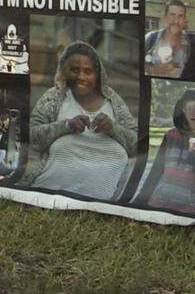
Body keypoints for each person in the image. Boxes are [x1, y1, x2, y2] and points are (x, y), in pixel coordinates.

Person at [22, 42, 138, 201]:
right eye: (75, 70)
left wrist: (113, 128)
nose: (81, 77)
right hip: (49, 196)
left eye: (88, 71)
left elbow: (137, 145)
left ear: (98, 74)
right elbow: (30, 137)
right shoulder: (54, 97)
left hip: (103, 204)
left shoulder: (114, 101)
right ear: (64, 71)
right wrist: (65, 126)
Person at [133, 88, 195, 215]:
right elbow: (156, 171)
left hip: (186, 211)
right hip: (156, 204)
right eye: (188, 108)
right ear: (183, 111)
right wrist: (140, 201)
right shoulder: (171, 135)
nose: (193, 112)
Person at [145, 0, 190, 78]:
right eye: (172, 15)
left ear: (184, 20)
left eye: (180, 16)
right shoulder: (151, 38)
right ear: (165, 18)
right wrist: (153, 70)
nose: (176, 21)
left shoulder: (190, 43)